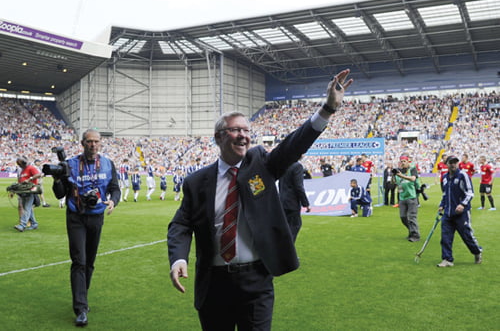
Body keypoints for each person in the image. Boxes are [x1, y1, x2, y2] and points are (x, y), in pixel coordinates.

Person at [167, 69, 352, 330]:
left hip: (255, 280)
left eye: (246, 129)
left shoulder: (262, 166)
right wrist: (178, 259)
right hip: (213, 284)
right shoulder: (197, 182)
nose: (243, 135)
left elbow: (294, 145)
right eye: (235, 130)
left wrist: (328, 109)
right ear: (219, 136)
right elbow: (181, 224)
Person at [51, 129, 120, 327]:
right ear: (82, 143)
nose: (93, 145)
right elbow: (59, 194)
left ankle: (83, 297)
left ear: (100, 143)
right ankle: (80, 309)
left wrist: (114, 201)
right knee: (79, 261)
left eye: (96, 141)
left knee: (89, 262)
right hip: (76, 217)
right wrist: (57, 179)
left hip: (97, 216)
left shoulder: (108, 164)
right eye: (89, 141)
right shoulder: (71, 164)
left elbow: (115, 188)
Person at [437, 155, 482, 267]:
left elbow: (470, 193)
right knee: (445, 237)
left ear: (457, 163)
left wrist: (462, 204)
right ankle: (447, 259)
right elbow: (445, 194)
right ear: (446, 164)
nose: (453, 164)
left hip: (461, 213)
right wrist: (442, 205)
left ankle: (477, 251)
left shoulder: (463, 175)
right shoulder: (445, 177)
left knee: (467, 236)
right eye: (450, 162)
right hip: (448, 213)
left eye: (455, 162)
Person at [278, 161, 311, 242]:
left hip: (282, 201)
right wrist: (306, 204)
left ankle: (282, 252)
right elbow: (299, 186)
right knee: (294, 227)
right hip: (292, 203)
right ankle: (288, 253)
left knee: (285, 229)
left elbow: (280, 183)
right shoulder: (297, 166)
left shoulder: (284, 165)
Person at [394, 155, 420, 242]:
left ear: (408, 161)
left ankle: (415, 235)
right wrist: (394, 175)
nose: (403, 163)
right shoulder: (399, 171)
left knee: (412, 217)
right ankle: (411, 231)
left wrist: (402, 176)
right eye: (401, 161)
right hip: (402, 197)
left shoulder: (412, 169)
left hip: (411, 196)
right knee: (403, 217)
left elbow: (413, 179)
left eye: (404, 161)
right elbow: (394, 183)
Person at [14, 156, 42, 232]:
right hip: (24, 192)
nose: (19, 166)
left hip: (30, 191)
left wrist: (30, 179)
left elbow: (39, 174)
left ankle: (22, 225)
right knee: (28, 208)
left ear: (23, 163)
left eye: (20, 164)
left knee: (26, 208)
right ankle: (34, 223)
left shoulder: (31, 168)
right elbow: (20, 180)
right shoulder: (23, 170)